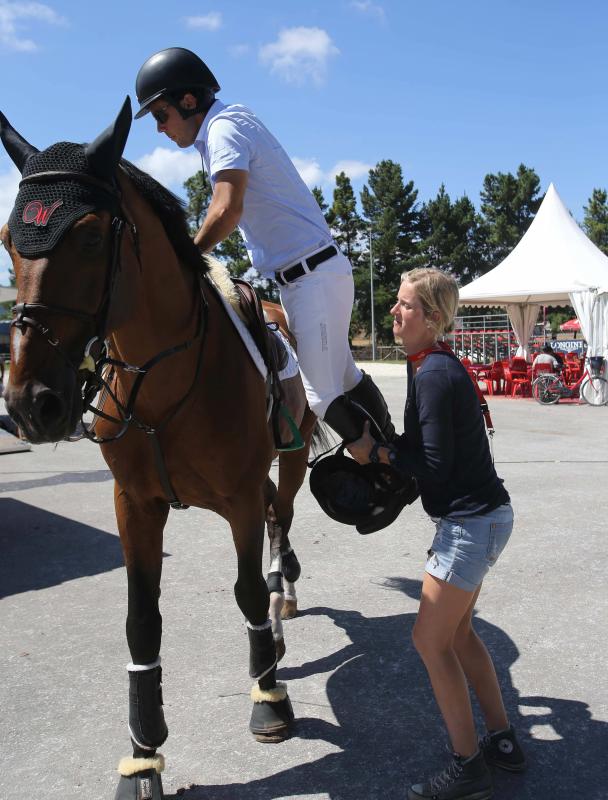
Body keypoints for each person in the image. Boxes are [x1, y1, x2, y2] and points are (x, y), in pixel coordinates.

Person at [133, 47, 394, 444]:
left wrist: (183, 258)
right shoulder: (225, 125)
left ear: (188, 101)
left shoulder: (222, 128)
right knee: (345, 377)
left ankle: (383, 461)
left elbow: (225, 210)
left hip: (312, 276)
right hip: (311, 274)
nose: (159, 128)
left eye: (160, 115)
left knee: (320, 398)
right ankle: (396, 449)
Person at [347, 268, 525, 800]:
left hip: (469, 526)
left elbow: (433, 463)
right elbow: (426, 444)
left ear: (434, 317)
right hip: (485, 518)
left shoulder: (433, 374)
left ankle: (468, 766)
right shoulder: (431, 365)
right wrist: (386, 442)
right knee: (460, 635)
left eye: (405, 306)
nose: (395, 313)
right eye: (397, 304)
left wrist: (374, 454)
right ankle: (504, 742)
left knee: (429, 640)